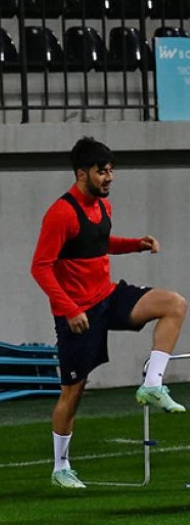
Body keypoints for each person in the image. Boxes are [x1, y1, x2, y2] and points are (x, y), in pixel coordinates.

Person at [31, 137, 187, 489]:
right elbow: (40, 267)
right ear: (81, 173)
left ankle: (152, 385)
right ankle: (60, 467)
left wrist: (135, 245)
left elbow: (99, 244)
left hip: (108, 296)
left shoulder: (104, 207)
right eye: (102, 171)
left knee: (174, 304)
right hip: (78, 312)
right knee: (74, 391)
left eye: (111, 170)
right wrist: (70, 309)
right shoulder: (61, 213)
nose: (109, 177)